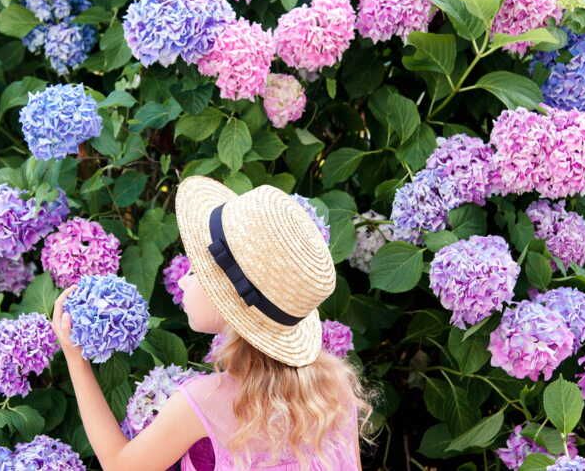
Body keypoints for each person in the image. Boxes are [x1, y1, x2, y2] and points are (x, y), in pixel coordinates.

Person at [52, 177, 371, 470]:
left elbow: (120, 466)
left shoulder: (204, 401)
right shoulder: (334, 387)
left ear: (227, 299)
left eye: (197, 271)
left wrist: (75, 358)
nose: (185, 281)